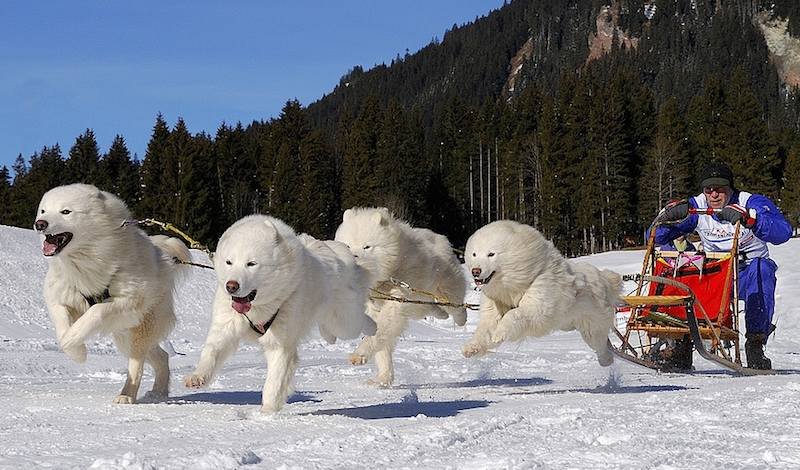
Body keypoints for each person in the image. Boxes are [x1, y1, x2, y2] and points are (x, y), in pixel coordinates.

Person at [655, 161, 792, 370]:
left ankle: (755, 344)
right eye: (709, 190)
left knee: (762, 269)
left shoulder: (750, 202)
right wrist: (668, 217)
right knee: (682, 271)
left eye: (720, 190)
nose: (714, 195)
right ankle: (681, 344)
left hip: (748, 270)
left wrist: (750, 220)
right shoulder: (696, 206)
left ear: (731, 189)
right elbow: (653, 236)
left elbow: (783, 232)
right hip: (716, 272)